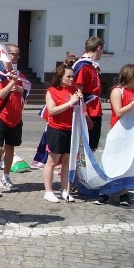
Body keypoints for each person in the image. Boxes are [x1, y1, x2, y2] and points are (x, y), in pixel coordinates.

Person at [0, 44, 29, 197]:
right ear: (5, 54)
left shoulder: (16, 74)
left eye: (18, 55)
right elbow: (0, 95)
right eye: (13, 54)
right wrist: (11, 83)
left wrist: (21, 89)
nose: (16, 57)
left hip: (15, 117)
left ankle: (6, 178)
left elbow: (24, 91)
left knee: (10, 150)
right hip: (1, 116)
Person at [98, 64, 134, 206]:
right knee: (112, 160)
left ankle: (124, 193)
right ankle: (104, 192)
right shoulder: (118, 91)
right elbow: (118, 112)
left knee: (129, 162)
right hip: (119, 132)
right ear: (131, 75)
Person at [43, 65, 83, 203]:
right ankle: (48, 191)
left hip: (71, 129)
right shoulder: (52, 91)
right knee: (52, 161)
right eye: (68, 76)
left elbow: (79, 109)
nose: (72, 79)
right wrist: (70, 102)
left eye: (73, 76)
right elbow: (52, 110)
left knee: (66, 161)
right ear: (60, 77)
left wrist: (80, 101)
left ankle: (65, 190)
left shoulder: (74, 89)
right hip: (57, 129)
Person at [73, 36, 105, 152]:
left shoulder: (93, 65)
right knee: (83, 146)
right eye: (102, 50)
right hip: (87, 109)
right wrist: (84, 114)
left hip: (95, 108)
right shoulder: (83, 66)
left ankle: (86, 169)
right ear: (99, 48)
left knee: (92, 145)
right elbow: (78, 91)